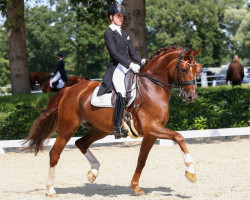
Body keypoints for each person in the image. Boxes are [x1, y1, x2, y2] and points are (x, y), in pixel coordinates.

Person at [97, 3, 146, 139]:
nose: (121, 18)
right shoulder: (108, 33)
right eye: (118, 15)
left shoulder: (125, 33)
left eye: (122, 16)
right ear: (111, 17)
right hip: (117, 68)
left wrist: (141, 61)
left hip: (128, 66)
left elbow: (133, 53)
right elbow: (114, 54)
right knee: (122, 92)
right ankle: (117, 127)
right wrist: (130, 64)